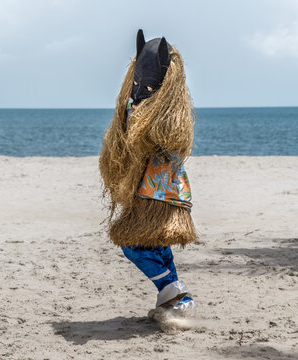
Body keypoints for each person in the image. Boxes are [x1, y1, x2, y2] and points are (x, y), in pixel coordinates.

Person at [99, 29, 197, 314]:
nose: (141, 90)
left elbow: (168, 143)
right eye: (138, 83)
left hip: (160, 192)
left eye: (148, 87)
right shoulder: (137, 105)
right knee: (155, 246)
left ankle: (173, 291)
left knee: (133, 244)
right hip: (150, 190)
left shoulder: (173, 117)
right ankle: (180, 301)